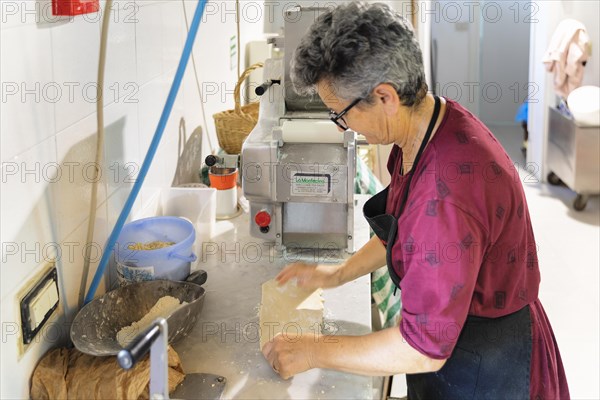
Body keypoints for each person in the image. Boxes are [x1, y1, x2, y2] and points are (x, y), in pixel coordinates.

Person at [261, 2, 570, 399]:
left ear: (386, 97)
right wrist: (335, 275)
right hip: (464, 343)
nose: (343, 127)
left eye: (340, 114)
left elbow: (422, 347)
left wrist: (312, 351)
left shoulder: (447, 194)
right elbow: (401, 229)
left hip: (484, 367)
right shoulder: (430, 125)